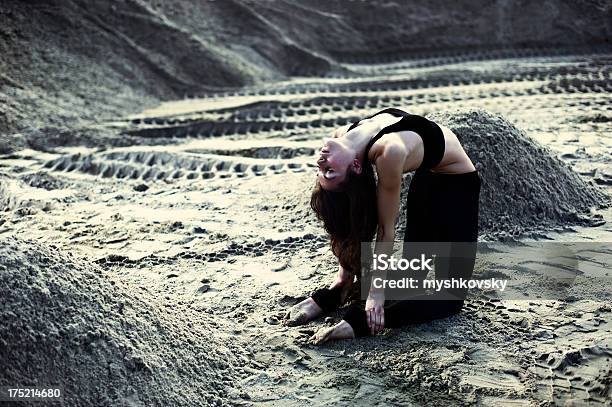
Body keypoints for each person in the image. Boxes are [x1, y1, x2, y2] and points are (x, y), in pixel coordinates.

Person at [284, 108, 481, 344]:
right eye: (329, 171)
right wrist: (349, 279)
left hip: (438, 183)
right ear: (357, 167)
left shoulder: (343, 133)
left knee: (414, 282)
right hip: (447, 185)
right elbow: (384, 229)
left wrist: (374, 292)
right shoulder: (389, 152)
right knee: (448, 297)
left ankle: (350, 306)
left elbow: (361, 213)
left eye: (323, 171)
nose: (320, 162)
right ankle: (351, 311)